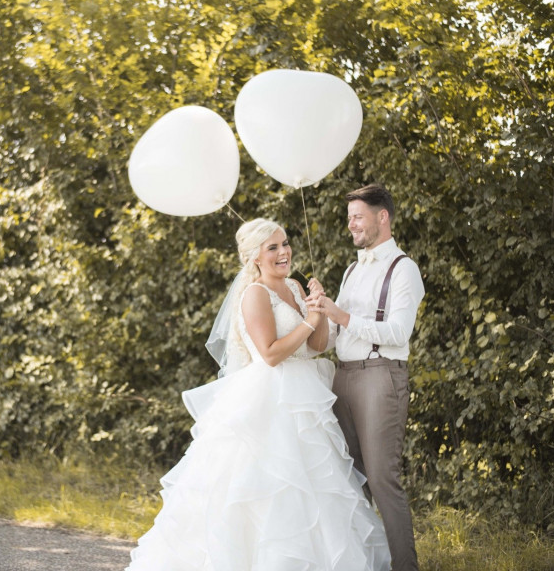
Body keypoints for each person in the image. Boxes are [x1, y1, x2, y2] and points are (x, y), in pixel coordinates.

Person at [126, 218, 390, 571]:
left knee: (315, 486)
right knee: (268, 483)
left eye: (284, 243)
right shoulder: (255, 294)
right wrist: (310, 321)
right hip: (269, 397)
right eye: (273, 248)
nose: (284, 252)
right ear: (255, 257)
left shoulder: (294, 287)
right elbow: (270, 353)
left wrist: (318, 307)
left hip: (306, 396)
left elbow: (317, 345)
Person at [314, 184, 425, 571]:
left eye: (357, 217)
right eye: (349, 219)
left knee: (381, 479)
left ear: (383, 217)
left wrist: (341, 315)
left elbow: (398, 333)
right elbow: (337, 333)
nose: (351, 226)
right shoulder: (350, 269)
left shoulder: (404, 268)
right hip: (342, 378)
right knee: (349, 480)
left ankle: (405, 567)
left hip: (380, 378)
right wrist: (317, 313)